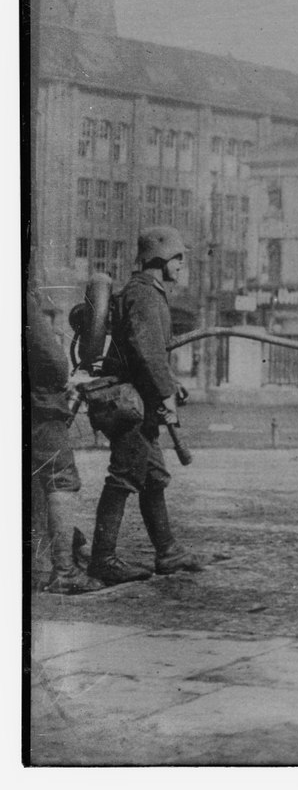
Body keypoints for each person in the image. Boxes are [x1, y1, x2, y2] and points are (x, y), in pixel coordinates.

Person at [87, 226, 202, 585]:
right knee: (124, 477)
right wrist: (166, 390)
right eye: (179, 258)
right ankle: (103, 559)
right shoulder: (145, 294)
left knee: (152, 477)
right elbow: (146, 350)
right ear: (163, 258)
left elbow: (147, 353)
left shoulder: (146, 292)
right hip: (130, 404)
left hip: (138, 400)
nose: (182, 265)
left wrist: (170, 385)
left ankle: (167, 551)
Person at [27, 287, 102, 595]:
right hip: (39, 405)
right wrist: (64, 381)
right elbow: (50, 355)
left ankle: (39, 567)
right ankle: (65, 572)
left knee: (35, 482)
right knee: (61, 480)